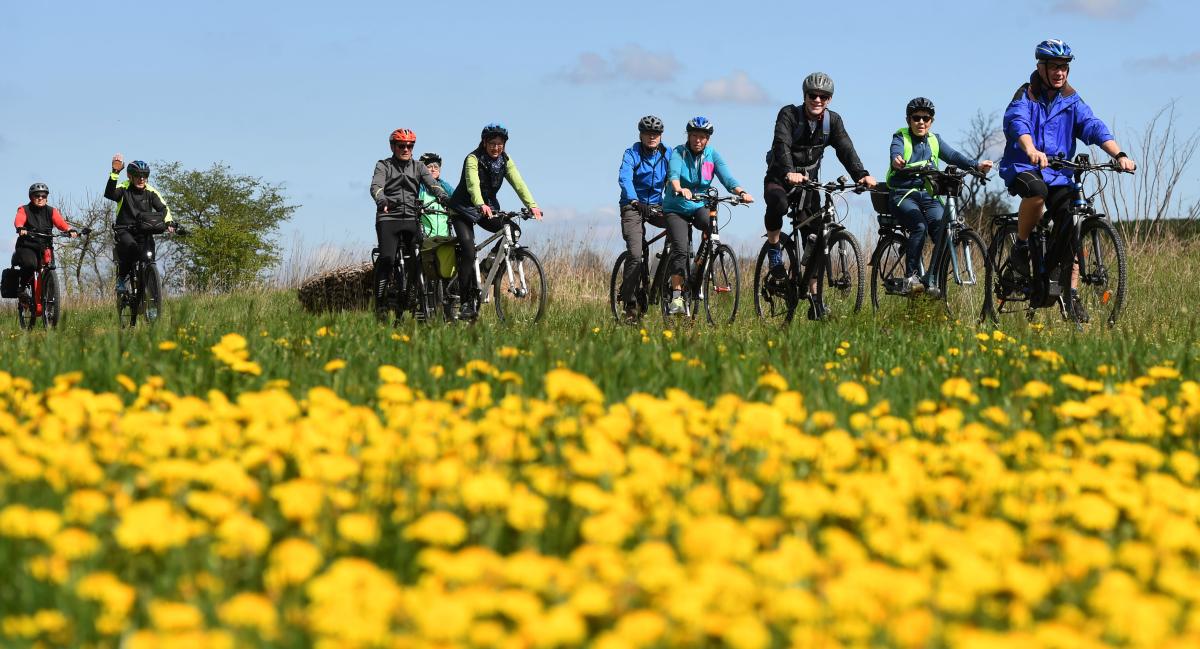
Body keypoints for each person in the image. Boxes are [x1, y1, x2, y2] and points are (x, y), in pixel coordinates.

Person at [999, 39, 1136, 298]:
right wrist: (1030, 149)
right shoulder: (1025, 95)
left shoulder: (1071, 100)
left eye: (1064, 67)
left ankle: (1066, 292)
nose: (1060, 72)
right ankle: (1021, 245)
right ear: (1041, 68)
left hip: (1059, 172)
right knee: (1037, 191)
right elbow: (1018, 124)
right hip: (1023, 166)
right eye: (1054, 67)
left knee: (1072, 219)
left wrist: (1119, 154)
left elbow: (1092, 125)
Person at [763, 72, 876, 279]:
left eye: (822, 96)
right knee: (778, 204)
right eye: (812, 95)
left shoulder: (832, 121)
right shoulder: (789, 115)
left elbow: (845, 149)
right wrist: (789, 171)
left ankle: (815, 298)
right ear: (804, 96)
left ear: (829, 99)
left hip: (809, 185)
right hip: (780, 177)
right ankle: (774, 251)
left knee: (814, 236)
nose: (817, 100)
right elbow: (782, 144)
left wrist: (861, 174)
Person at [887, 97, 994, 297]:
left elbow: (953, 156)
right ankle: (911, 276)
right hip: (903, 194)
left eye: (926, 118)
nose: (921, 122)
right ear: (908, 120)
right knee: (919, 227)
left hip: (929, 194)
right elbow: (896, 152)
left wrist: (976, 166)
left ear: (931, 121)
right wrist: (897, 161)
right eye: (916, 118)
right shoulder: (901, 137)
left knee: (944, 230)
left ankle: (932, 279)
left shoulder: (934, 140)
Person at [447, 123, 543, 320]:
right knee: (468, 249)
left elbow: (519, 183)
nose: (496, 148)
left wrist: (532, 205)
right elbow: (473, 184)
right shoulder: (473, 159)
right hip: (463, 208)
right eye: (492, 143)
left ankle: (486, 267)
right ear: (484, 143)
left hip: (488, 207)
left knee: (513, 230)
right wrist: (480, 203)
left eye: (500, 144)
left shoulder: (505, 161)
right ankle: (465, 302)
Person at [661, 116, 754, 315]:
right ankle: (676, 297)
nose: (697, 140)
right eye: (694, 135)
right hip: (676, 207)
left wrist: (741, 192)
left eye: (702, 137)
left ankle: (698, 272)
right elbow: (673, 174)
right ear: (688, 136)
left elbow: (727, 177)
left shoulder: (712, 155)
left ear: (708, 139)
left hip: (699, 205)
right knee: (680, 248)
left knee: (710, 228)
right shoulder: (679, 152)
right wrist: (679, 188)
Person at [370, 129, 450, 321]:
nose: (406, 149)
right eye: (401, 145)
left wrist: (444, 198)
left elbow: (433, 184)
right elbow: (376, 186)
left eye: (410, 145)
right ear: (393, 146)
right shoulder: (384, 165)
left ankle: (414, 297)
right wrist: (382, 200)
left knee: (418, 260)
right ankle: (380, 303)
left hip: (411, 218)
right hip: (389, 217)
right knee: (388, 258)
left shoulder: (419, 166)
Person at [616, 115, 672, 322]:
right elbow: (625, 177)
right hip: (633, 206)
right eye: (648, 133)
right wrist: (633, 200)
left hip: (657, 205)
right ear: (640, 135)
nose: (652, 137)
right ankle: (629, 304)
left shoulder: (668, 154)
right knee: (635, 253)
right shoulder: (632, 153)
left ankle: (666, 283)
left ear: (660, 136)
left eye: (656, 134)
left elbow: (675, 177)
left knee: (679, 231)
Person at [105, 155, 174, 294]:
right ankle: (121, 280)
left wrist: (169, 222)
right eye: (138, 175)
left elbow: (163, 208)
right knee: (131, 247)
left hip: (144, 230)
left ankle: (151, 298)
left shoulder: (151, 191)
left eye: (144, 175)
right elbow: (110, 194)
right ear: (130, 176)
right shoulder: (124, 188)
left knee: (149, 257)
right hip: (124, 229)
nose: (141, 179)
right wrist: (115, 172)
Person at [11, 183, 79, 288]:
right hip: (27, 246)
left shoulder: (51, 211)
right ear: (31, 197)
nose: (40, 198)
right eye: (37, 196)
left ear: (46, 198)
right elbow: (19, 219)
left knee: (50, 267)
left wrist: (69, 230)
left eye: (43, 196)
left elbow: (60, 223)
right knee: (30, 265)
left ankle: (49, 298)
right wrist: (20, 227)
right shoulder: (24, 209)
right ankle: (23, 288)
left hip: (45, 246)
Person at [417, 152, 456, 238]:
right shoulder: (418, 186)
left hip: (445, 236)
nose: (433, 169)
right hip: (424, 236)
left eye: (436, 167)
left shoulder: (445, 186)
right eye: (429, 167)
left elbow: (457, 197)